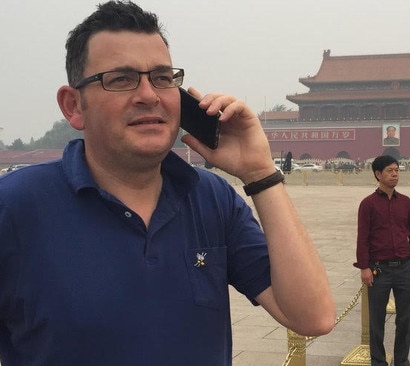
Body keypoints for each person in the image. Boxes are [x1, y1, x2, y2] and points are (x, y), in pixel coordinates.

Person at [0, 2, 335, 365]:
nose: (149, 95)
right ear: (74, 106)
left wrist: (260, 174)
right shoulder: (15, 207)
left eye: (162, 77)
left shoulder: (212, 200)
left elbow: (312, 317)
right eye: (121, 79)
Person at [355, 155, 410, 366]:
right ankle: (378, 361)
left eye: (397, 170)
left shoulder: (406, 202)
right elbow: (363, 238)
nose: (395, 174)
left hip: (404, 267)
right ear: (378, 174)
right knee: (376, 321)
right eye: (389, 170)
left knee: (404, 320)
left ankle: (401, 361)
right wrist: (364, 267)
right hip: (379, 270)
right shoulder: (368, 204)